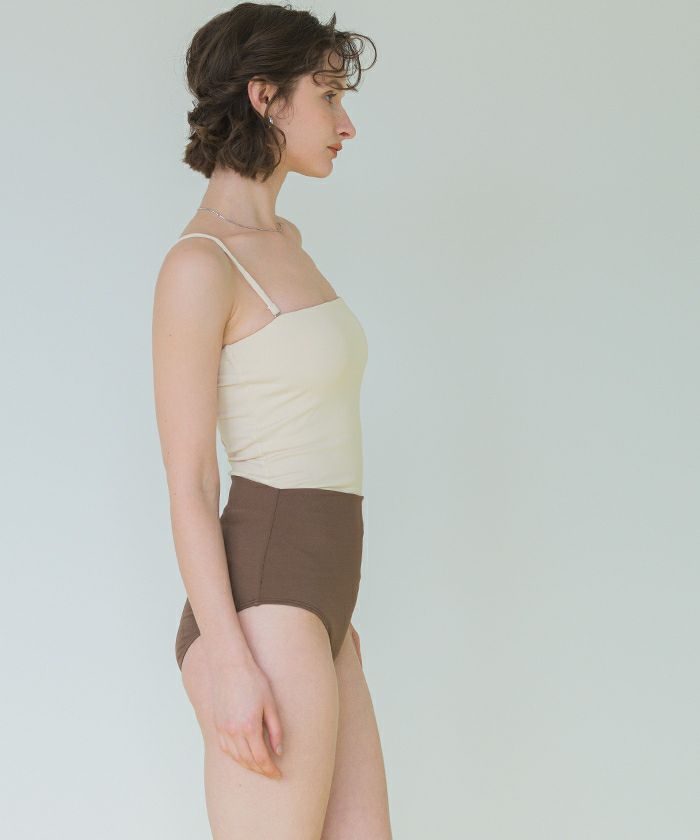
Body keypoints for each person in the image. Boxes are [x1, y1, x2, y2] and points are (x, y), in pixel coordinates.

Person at [151, 4, 391, 838]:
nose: (345, 124)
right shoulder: (201, 264)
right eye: (327, 96)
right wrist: (229, 659)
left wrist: (333, 626)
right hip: (264, 598)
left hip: (323, 594)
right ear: (264, 96)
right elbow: (189, 481)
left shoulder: (287, 242)